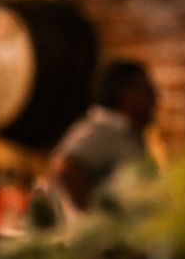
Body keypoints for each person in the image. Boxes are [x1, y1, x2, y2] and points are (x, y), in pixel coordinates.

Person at [44, 59, 157, 214]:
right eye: (147, 91)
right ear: (126, 93)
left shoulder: (126, 131)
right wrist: (95, 217)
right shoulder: (103, 128)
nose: (154, 100)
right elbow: (64, 167)